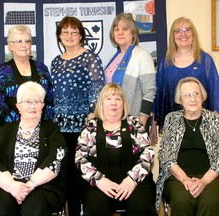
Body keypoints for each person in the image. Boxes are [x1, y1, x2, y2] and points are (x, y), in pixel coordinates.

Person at [50, 16, 105, 215]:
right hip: (60, 126)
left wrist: (91, 114)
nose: (70, 36)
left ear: (81, 35)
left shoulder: (90, 58)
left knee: (82, 173)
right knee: (65, 175)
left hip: (83, 125)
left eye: (74, 32)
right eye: (65, 32)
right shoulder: (55, 62)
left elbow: (98, 89)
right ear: (59, 36)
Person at [0, 81, 67, 216]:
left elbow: (57, 157)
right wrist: (12, 186)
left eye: (37, 101)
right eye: (27, 102)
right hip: (8, 186)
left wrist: (30, 185)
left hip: (41, 187)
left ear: (43, 106)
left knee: (33, 212)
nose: (32, 106)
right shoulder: (6, 130)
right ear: (18, 106)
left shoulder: (51, 129)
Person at [75, 83, 157, 216]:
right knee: (94, 210)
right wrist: (99, 180)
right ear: (101, 103)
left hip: (135, 182)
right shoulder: (90, 127)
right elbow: (80, 158)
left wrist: (132, 179)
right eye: (108, 99)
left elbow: (148, 153)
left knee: (143, 209)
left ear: (123, 103)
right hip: (100, 184)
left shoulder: (135, 124)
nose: (113, 103)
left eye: (118, 99)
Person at [155, 77, 219, 215]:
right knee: (182, 199)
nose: (193, 99)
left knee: (211, 200)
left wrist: (203, 181)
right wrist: (185, 179)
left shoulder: (214, 120)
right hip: (177, 177)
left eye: (196, 94)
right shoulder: (172, 119)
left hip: (210, 176)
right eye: (187, 95)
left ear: (203, 97)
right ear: (180, 100)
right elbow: (166, 156)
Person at [150, 17, 219, 143]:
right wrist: (153, 125)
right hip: (173, 128)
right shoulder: (165, 64)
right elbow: (158, 96)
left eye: (187, 29)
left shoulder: (205, 61)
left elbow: (216, 93)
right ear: (172, 36)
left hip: (202, 126)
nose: (183, 34)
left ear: (193, 33)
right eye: (178, 31)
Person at [0, 25, 54, 129]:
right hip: (11, 129)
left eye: (27, 41)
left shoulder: (42, 68)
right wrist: (22, 123)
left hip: (41, 128)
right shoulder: (2, 70)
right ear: (10, 46)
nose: (24, 45)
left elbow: (51, 98)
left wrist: (41, 121)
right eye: (19, 41)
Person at [105, 13, 156, 127]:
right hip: (113, 121)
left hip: (134, 121)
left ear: (133, 32)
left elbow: (149, 92)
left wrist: (141, 123)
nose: (120, 32)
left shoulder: (142, 55)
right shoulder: (112, 58)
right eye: (116, 29)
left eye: (125, 29)